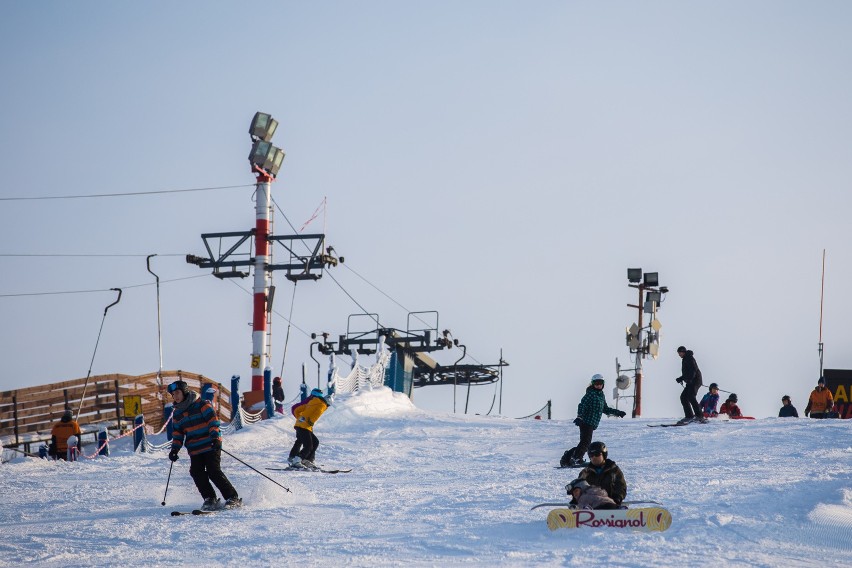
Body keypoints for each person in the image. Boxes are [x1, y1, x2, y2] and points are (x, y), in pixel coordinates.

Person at [167, 380, 241, 511]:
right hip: (195, 449)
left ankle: (232, 497)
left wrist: (215, 438)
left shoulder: (201, 405)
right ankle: (210, 498)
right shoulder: (177, 413)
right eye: (173, 394)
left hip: (210, 444)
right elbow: (178, 433)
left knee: (213, 471)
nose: (175, 396)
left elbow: (213, 422)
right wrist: (174, 449)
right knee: (196, 472)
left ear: (184, 392)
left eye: (177, 392)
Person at [560, 375, 626, 467]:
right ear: (592, 383)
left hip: (592, 423)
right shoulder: (590, 394)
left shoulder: (601, 395)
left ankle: (571, 456)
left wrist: (618, 412)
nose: (598, 385)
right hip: (585, 421)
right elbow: (582, 405)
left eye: (600, 383)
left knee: (585, 442)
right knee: (586, 442)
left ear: (603, 384)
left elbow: (605, 409)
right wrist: (579, 417)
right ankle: (576, 458)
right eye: (596, 383)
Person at [288, 387, 330, 469]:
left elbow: (296, 409)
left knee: (314, 442)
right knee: (309, 446)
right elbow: (317, 414)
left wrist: (300, 419)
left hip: (300, 424)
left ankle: (306, 460)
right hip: (305, 426)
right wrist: (311, 421)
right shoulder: (322, 404)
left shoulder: (310, 401)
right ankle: (297, 460)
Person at [577, 441, 627, 507]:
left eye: (597, 454)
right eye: (591, 455)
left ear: (604, 454)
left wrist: (617, 498)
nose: (594, 457)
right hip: (590, 506)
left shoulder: (614, 470)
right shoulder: (586, 472)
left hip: (610, 504)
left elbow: (621, 486)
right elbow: (578, 488)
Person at [675, 346, 705, 424]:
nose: (679, 355)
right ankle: (689, 416)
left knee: (691, 397)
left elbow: (693, 370)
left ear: (683, 352)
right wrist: (681, 378)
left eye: (680, 353)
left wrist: (690, 379)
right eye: (678, 353)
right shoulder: (685, 359)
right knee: (683, 397)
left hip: (695, 381)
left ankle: (699, 416)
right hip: (690, 382)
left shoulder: (689, 358)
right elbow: (686, 373)